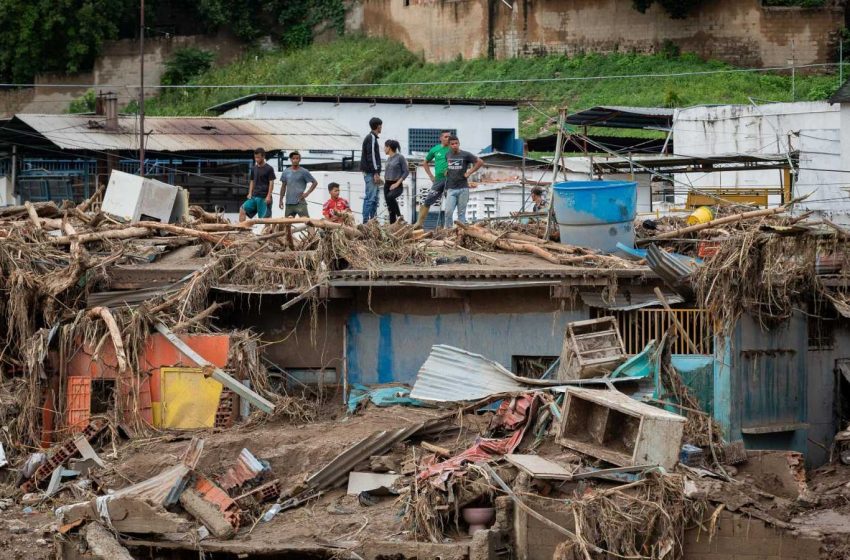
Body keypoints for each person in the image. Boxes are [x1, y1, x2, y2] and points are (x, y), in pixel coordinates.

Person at [414, 130, 452, 229]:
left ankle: (449, 226)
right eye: (446, 137)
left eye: (449, 137)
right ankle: (419, 223)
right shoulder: (435, 149)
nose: (448, 138)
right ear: (440, 138)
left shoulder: (453, 148)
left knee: (450, 203)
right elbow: (425, 162)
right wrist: (431, 176)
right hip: (438, 180)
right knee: (427, 201)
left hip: (451, 181)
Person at [443, 136, 483, 225]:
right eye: (452, 144)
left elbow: (480, 162)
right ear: (449, 145)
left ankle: (461, 233)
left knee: (461, 214)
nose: (454, 145)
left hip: (463, 188)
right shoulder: (447, 155)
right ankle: (448, 232)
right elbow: (449, 166)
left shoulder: (466, 154)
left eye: (456, 143)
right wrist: (446, 170)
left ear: (459, 143)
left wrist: (469, 172)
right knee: (448, 212)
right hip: (451, 189)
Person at [240, 147, 276, 221]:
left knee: (265, 220)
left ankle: (268, 232)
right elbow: (252, 181)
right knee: (242, 209)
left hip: (264, 198)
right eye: (255, 157)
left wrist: (268, 196)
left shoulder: (269, 168)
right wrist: (250, 193)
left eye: (258, 157)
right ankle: (241, 230)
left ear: (263, 156)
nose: (256, 159)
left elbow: (271, 183)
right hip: (254, 197)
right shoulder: (254, 168)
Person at [278, 151, 318, 217]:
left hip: (300, 202)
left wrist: (307, 193)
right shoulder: (286, 172)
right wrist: (280, 200)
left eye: (297, 158)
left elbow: (315, 182)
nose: (295, 160)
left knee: (307, 222)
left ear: (300, 159)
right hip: (289, 203)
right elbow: (283, 187)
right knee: (287, 224)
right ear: (290, 159)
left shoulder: (304, 171)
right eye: (293, 158)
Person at [360, 117, 383, 223]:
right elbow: (372, 156)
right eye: (381, 126)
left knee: (374, 199)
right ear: (378, 126)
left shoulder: (371, 137)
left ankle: (373, 220)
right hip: (371, 173)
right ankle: (365, 221)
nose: (381, 128)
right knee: (370, 198)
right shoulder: (371, 137)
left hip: (371, 172)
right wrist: (375, 172)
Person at [383, 139, 409, 224]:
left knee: (390, 197)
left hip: (397, 184)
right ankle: (392, 227)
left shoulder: (400, 157)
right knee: (390, 209)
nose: (384, 148)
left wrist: (397, 183)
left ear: (389, 147)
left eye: (385, 147)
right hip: (387, 184)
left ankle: (399, 217)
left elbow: (406, 171)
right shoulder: (388, 159)